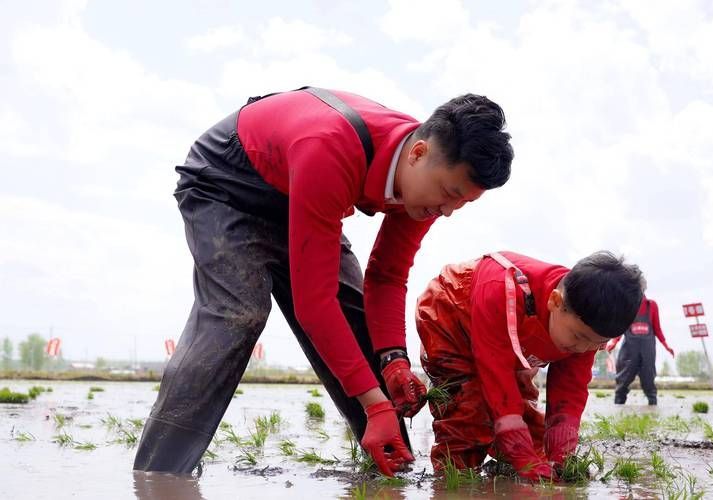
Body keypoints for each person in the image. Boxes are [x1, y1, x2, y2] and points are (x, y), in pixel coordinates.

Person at [133, 86, 514, 476]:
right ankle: (159, 474)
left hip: (303, 194)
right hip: (227, 184)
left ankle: (392, 467)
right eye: (449, 194)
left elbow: (386, 277)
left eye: (461, 204)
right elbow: (314, 304)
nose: (446, 211)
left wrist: (394, 359)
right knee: (237, 314)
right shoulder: (331, 148)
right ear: (418, 153)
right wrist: (374, 403)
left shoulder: (422, 183)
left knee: (355, 322)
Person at [414, 251, 645, 480]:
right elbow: (496, 374)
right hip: (452, 312)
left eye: (597, 344)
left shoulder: (585, 322)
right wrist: (514, 439)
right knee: (469, 413)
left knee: (533, 438)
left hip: (512, 346)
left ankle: (511, 474)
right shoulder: (504, 290)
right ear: (555, 301)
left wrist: (561, 454)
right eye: (578, 337)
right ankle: (453, 479)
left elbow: (570, 390)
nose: (584, 349)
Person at [605, 295, 674, 406]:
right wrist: (614, 342)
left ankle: (652, 407)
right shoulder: (626, 305)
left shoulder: (651, 305)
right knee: (623, 381)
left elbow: (657, 328)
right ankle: (618, 408)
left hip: (647, 350)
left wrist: (666, 345)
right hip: (629, 350)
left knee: (649, 380)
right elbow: (621, 326)